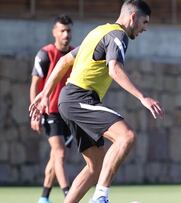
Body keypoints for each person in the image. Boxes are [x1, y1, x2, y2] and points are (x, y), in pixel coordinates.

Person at [29, 1, 164, 202]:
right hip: (79, 97)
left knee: (95, 166)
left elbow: (64, 61)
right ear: (133, 17)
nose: (145, 28)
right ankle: (100, 197)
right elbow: (114, 69)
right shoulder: (119, 36)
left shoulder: (99, 31)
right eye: (144, 22)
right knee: (126, 136)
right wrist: (143, 97)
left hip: (70, 100)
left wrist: (46, 93)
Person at [29, 14, 74, 203]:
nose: (66, 34)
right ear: (54, 32)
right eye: (62, 30)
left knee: (54, 157)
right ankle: (69, 196)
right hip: (50, 112)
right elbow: (34, 85)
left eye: (69, 30)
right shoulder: (45, 54)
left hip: (67, 113)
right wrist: (35, 113)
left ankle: (44, 198)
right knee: (60, 153)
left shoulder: (74, 54)